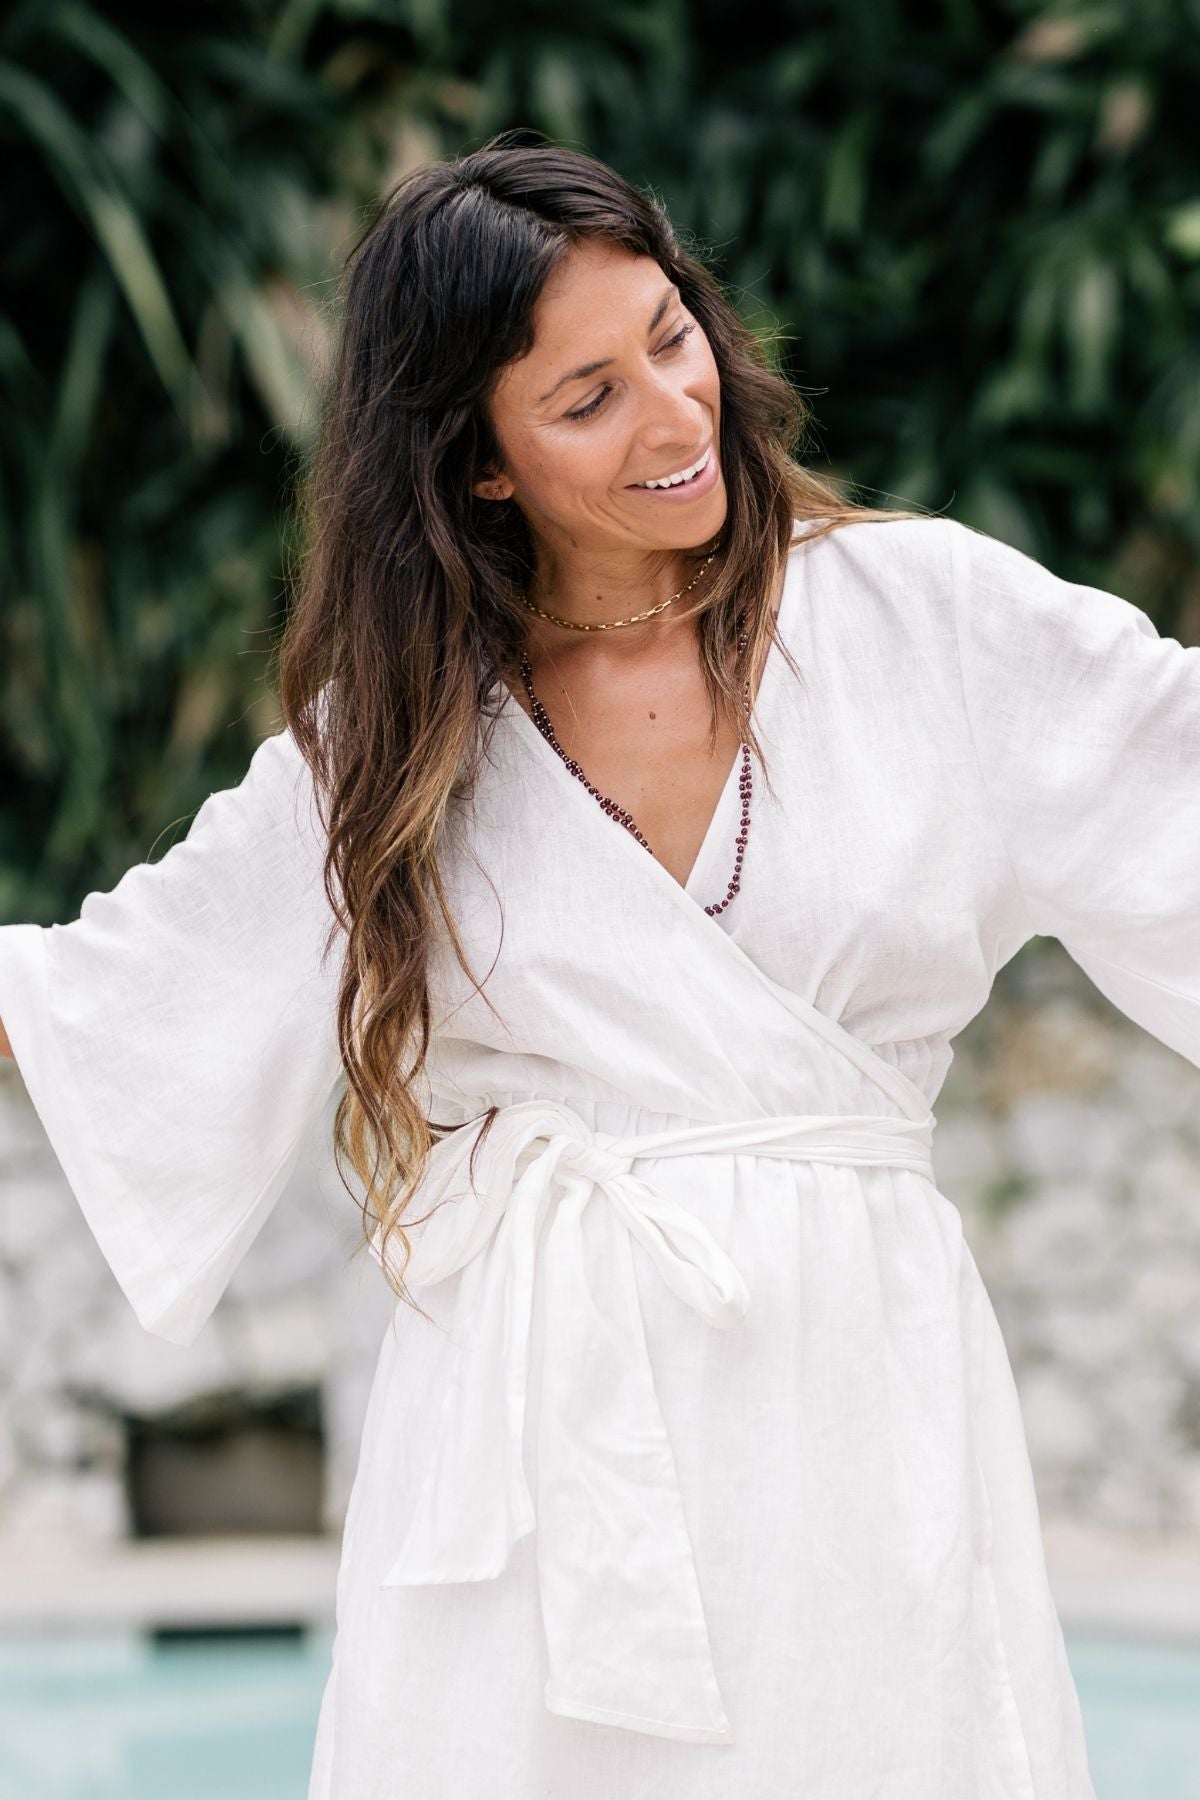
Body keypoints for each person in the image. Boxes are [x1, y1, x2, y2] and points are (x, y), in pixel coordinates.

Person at [1, 128, 1197, 1799]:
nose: (673, 411)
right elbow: (109, 995)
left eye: (670, 337)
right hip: (528, 1444)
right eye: (586, 398)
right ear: (477, 462)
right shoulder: (398, 749)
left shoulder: (925, 623)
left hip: (852, 1413)